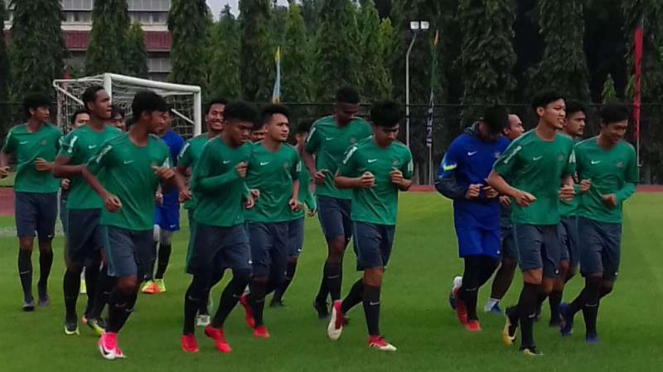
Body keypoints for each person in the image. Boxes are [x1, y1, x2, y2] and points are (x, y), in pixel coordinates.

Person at [82, 91, 186, 360]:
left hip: (143, 223)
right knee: (127, 281)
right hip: (116, 222)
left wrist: (167, 178)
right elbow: (87, 170)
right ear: (145, 115)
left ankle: (111, 333)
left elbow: (169, 183)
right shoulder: (115, 146)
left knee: (135, 284)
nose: (164, 121)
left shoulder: (160, 148)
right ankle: (99, 319)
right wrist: (105, 195)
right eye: (161, 115)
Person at [487, 90, 576, 356]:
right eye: (557, 108)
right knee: (533, 279)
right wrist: (515, 193)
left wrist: (569, 188)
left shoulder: (566, 144)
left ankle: (514, 313)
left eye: (564, 109)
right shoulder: (522, 144)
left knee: (547, 286)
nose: (562, 113)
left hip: (552, 218)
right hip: (526, 219)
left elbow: (568, 176)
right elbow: (494, 177)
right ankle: (527, 344)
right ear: (540, 111)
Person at [327, 100, 413, 352]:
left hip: (389, 220)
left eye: (395, 130)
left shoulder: (402, 153)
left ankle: (342, 307)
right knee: (375, 274)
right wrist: (358, 181)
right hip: (364, 219)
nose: (391, 135)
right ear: (374, 127)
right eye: (386, 130)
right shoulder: (359, 151)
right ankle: (375, 337)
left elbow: (408, 182)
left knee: (372, 277)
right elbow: (338, 179)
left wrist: (401, 182)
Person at [180, 101, 257, 354]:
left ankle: (217, 326)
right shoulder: (211, 150)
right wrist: (231, 177)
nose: (246, 134)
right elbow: (199, 185)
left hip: (235, 223)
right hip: (209, 223)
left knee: (244, 273)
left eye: (249, 129)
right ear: (226, 124)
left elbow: (240, 178)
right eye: (241, 128)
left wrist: (245, 192)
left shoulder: (247, 150)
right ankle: (188, 331)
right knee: (204, 280)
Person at [560, 102, 638, 344]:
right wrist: (578, 187)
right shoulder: (581, 150)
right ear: (602, 125)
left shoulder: (627, 151)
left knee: (607, 284)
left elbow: (631, 182)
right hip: (586, 219)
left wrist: (618, 196)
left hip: (613, 223)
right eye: (616, 128)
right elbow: (568, 179)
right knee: (593, 278)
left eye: (623, 129)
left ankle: (570, 310)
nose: (619, 134)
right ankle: (591, 332)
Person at [53, 86, 122, 336]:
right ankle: (71, 312)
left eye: (109, 100)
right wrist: (84, 168)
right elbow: (57, 169)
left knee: (108, 261)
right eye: (104, 100)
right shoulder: (76, 137)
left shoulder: (117, 136)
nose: (109, 104)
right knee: (76, 264)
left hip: (108, 210)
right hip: (81, 208)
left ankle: (93, 312)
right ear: (91, 106)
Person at [436, 106, 511, 332]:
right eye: (493, 131)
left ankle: (461, 293)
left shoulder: (504, 146)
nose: (495, 136)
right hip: (468, 212)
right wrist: (463, 191)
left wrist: (500, 191)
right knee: (474, 260)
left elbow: (512, 177)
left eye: (500, 132)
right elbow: (442, 179)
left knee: (492, 262)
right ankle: (471, 315)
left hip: (492, 215)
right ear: (482, 123)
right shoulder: (461, 146)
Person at [303, 86, 372, 318]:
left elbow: (369, 154)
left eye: (354, 112)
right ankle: (337, 305)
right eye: (346, 112)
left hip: (353, 196)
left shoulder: (363, 129)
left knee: (339, 252)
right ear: (336, 108)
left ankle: (321, 299)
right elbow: (305, 150)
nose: (350, 116)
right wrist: (314, 172)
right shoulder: (320, 127)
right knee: (337, 245)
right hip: (328, 194)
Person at [239, 104, 301, 338]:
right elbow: (239, 179)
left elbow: (296, 178)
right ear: (266, 128)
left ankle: (248, 300)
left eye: (287, 125)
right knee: (262, 270)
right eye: (280, 124)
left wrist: (295, 198)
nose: (286, 129)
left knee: (278, 276)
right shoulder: (251, 152)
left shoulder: (290, 153)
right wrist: (248, 191)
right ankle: (259, 323)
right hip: (257, 219)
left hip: (282, 219)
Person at [0, 93, 63, 311]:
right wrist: (2, 166)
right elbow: (5, 152)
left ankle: (43, 287)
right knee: (26, 244)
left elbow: (67, 158)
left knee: (45, 246)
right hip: (25, 192)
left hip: (48, 192)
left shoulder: (55, 133)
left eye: (48, 108)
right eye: (43, 108)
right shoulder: (16, 134)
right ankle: (27, 296)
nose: (48, 112)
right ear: (31, 111)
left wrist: (52, 166)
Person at [177, 98, 227, 327]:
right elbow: (177, 171)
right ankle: (202, 303)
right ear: (206, 116)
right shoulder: (194, 145)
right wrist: (183, 188)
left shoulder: (236, 145)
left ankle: (206, 292)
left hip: (230, 209)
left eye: (222, 114)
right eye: (214, 113)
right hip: (200, 209)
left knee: (227, 261)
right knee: (204, 259)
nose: (218, 118)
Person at [538, 100, 587, 326]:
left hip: (574, 215)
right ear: (564, 122)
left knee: (571, 269)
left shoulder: (580, 148)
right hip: (554, 215)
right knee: (563, 265)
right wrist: (574, 188)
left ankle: (540, 301)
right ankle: (554, 313)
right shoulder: (553, 146)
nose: (582, 124)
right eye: (578, 119)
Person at [271, 120, 317, 307]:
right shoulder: (285, 155)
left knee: (292, 257)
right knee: (273, 256)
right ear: (298, 137)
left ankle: (277, 297)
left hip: (296, 216)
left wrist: (311, 203)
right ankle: (255, 289)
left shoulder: (308, 161)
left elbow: (304, 184)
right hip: (277, 214)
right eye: (308, 137)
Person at [484, 114, 526, 314]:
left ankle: (493, 302)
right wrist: (499, 193)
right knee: (490, 260)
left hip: (516, 216)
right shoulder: (496, 152)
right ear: (506, 131)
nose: (523, 129)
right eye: (518, 126)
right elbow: (488, 178)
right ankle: (462, 288)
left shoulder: (524, 150)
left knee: (511, 261)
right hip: (495, 216)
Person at [142, 109, 185, 294]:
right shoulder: (145, 140)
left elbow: (182, 168)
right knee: (154, 233)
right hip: (149, 194)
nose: (161, 120)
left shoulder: (176, 142)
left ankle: (160, 277)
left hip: (170, 195)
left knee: (166, 238)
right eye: (158, 116)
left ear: (171, 119)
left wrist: (180, 183)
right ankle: (147, 277)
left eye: (165, 117)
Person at [59, 109, 89, 295]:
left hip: (94, 199)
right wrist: (61, 179)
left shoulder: (100, 141)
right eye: (80, 121)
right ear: (72, 125)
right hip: (71, 198)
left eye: (87, 121)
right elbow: (56, 167)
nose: (84, 124)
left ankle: (88, 277)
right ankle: (76, 274)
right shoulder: (67, 142)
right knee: (72, 240)